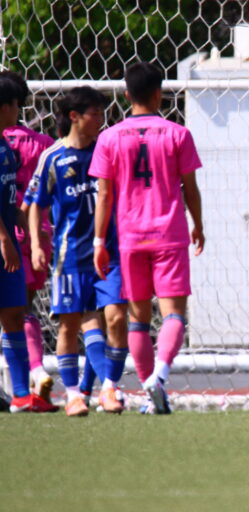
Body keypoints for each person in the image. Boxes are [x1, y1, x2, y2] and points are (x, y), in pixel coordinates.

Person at [90, 62, 205, 415]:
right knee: (173, 315)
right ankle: (160, 376)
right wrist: (198, 225)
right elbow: (190, 188)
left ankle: (148, 393)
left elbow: (104, 195)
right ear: (159, 94)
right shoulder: (177, 134)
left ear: (127, 95)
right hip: (169, 234)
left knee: (138, 319)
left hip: (130, 238)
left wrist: (99, 242)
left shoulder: (109, 137)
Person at [27, 86, 129, 416]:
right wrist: (35, 243)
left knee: (116, 318)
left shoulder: (107, 150)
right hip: (69, 257)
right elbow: (35, 204)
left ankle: (110, 388)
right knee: (69, 326)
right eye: (95, 114)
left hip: (110, 252)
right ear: (75, 116)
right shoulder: (53, 157)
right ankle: (73, 395)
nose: (101, 120)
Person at [0, 76, 57, 413]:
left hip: (12, 242)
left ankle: (22, 393)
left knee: (14, 314)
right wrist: (7, 238)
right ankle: (28, 379)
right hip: (10, 243)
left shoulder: (6, 148)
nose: (18, 110)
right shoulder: (38, 145)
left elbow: (9, 200)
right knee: (19, 312)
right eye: (15, 104)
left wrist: (24, 226)